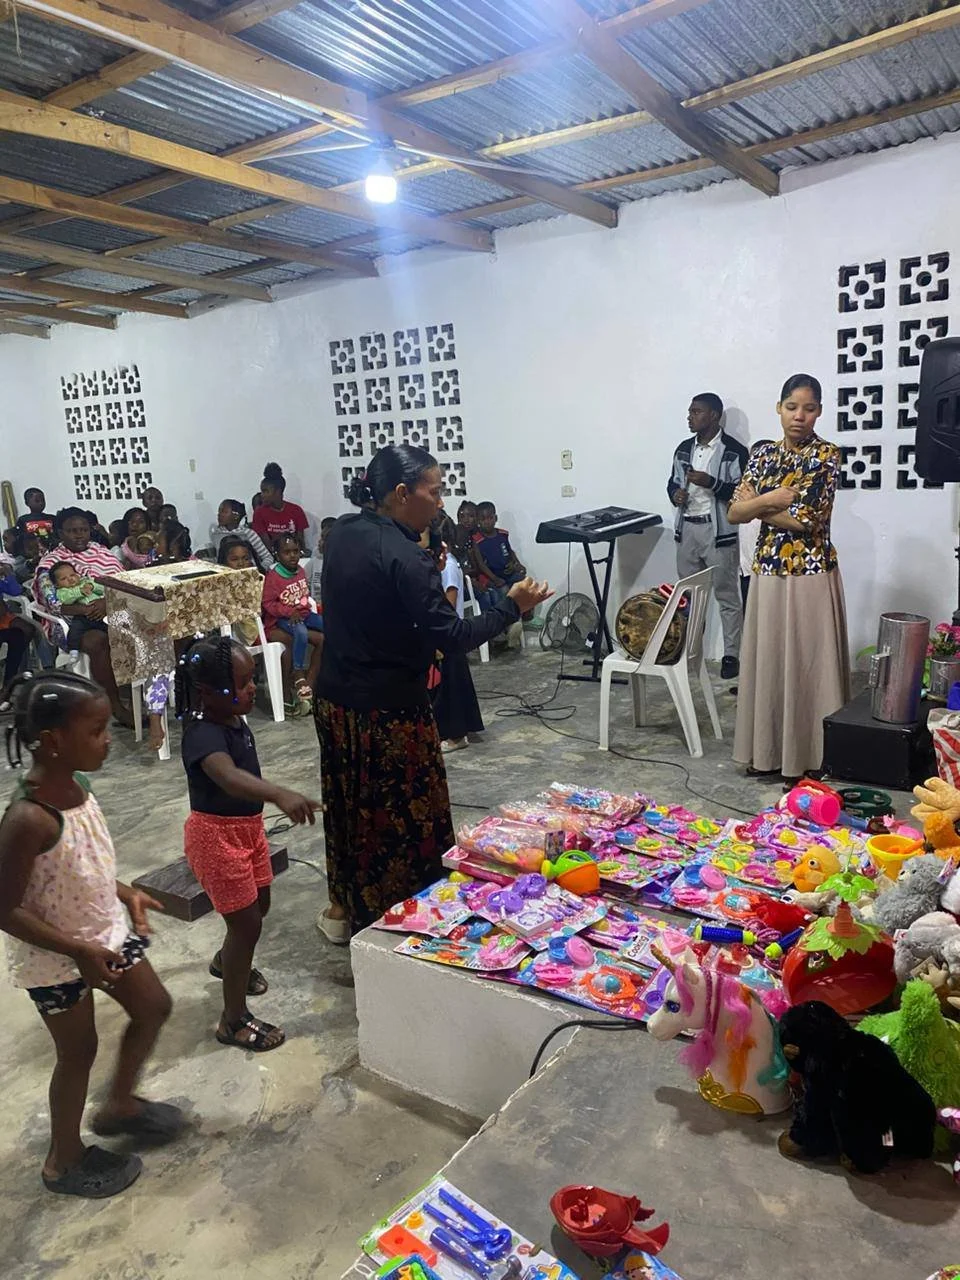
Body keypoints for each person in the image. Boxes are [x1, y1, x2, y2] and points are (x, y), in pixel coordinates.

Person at [314, 444, 552, 943]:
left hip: (336, 701)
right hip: (388, 712)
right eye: (435, 491)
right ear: (402, 493)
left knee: (350, 806)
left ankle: (343, 908)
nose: (441, 502)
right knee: (401, 820)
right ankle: (398, 924)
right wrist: (512, 606)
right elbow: (454, 636)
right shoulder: (404, 556)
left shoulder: (344, 532)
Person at [0, 671, 182, 1198]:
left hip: (103, 934)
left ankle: (120, 1104)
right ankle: (62, 1161)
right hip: (56, 959)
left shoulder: (81, 788)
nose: (108, 740)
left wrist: (125, 893)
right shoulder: (28, 820)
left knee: (153, 1006)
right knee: (78, 1051)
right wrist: (77, 950)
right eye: (97, 731)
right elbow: (5, 908)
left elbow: (81, 863)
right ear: (53, 741)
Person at [175, 637, 319, 1051]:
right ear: (206, 691)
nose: (252, 688)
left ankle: (227, 961)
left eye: (251, 678)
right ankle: (233, 1020)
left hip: (248, 830)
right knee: (246, 924)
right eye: (241, 683)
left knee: (260, 906)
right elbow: (227, 777)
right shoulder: (202, 733)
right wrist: (279, 794)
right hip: (215, 838)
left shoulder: (233, 718)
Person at [728, 374, 850, 782]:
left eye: (809, 408)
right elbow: (733, 512)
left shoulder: (826, 455)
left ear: (819, 412)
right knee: (769, 662)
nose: (800, 416)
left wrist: (756, 506)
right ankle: (766, 754)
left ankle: (810, 757)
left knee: (808, 666)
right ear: (779, 408)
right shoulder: (763, 454)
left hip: (811, 573)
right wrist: (772, 499)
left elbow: (806, 520)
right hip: (767, 569)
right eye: (792, 407)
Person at [666, 393, 748, 681]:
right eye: (690, 411)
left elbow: (743, 494)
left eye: (696, 412)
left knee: (727, 595)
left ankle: (731, 655)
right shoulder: (683, 449)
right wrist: (675, 494)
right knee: (687, 596)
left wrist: (712, 482)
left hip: (719, 532)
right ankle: (689, 652)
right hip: (687, 528)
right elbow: (672, 482)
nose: (690, 417)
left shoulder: (735, 451)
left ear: (714, 415)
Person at [34, 510, 130, 727]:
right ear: (60, 533)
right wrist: (84, 610)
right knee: (96, 641)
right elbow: (52, 602)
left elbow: (124, 585)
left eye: (84, 530)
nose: (79, 535)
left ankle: (145, 695)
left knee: (146, 626)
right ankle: (115, 707)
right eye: (72, 531)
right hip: (69, 623)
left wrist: (106, 604)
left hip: (108, 611)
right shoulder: (51, 563)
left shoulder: (102, 553)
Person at [428, 538, 483, 753]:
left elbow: (449, 603)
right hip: (445, 633)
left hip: (448, 634)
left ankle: (456, 736)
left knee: (451, 689)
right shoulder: (439, 566)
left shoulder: (449, 567)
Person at [262, 533, 323, 713]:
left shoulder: (300, 571)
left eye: (295, 551)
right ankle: (298, 673)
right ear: (277, 554)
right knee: (301, 633)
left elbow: (303, 595)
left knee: (329, 627)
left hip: (304, 614)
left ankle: (311, 685)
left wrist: (304, 606)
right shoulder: (273, 577)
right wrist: (289, 612)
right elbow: (268, 603)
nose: (292, 556)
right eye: (287, 552)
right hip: (284, 619)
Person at [738, 440, 774, 610]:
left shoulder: (780, 494)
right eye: (754, 459)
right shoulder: (743, 491)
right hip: (747, 570)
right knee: (750, 617)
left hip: (771, 570)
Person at [471, 502, 527, 608]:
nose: (487, 522)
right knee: (504, 591)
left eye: (490, 518)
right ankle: (505, 616)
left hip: (507, 573)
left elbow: (510, 552)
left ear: (495, 518)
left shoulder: (503, 534)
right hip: (490, 576)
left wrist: (517, 564)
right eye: (483, 519)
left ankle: (525, 615)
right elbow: (481, 564)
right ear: (478, 521)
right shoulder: (477, 540)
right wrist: (495, 578)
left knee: (526, 583)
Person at [251, 463, 308, 551]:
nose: (262, 495)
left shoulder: (296, 510)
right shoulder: (259, 513)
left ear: (278, 491)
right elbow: (266, 546)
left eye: (265, 491)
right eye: (262, 491)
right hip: (271, 557)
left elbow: (300, 542)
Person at [217, 537, 262, 646]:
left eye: (245, 559)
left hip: (259, 627)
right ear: (224, 563)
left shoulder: (257, 579)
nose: (241, 563)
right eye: (234, 559)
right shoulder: (219, 586)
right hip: (229, 632)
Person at [212, 499, 273, 573]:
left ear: (236, 516)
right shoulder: (216, 534)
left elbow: (268, 557)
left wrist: (259, 570)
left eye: (224, 512)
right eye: (219, 511)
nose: (219, 514)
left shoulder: (248, 533)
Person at [303, 516, 335, 600]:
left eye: (323, 539)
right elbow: (303, 582)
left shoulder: (341, 565)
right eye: (321, 537)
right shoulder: (314, 561)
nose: (319, 541)